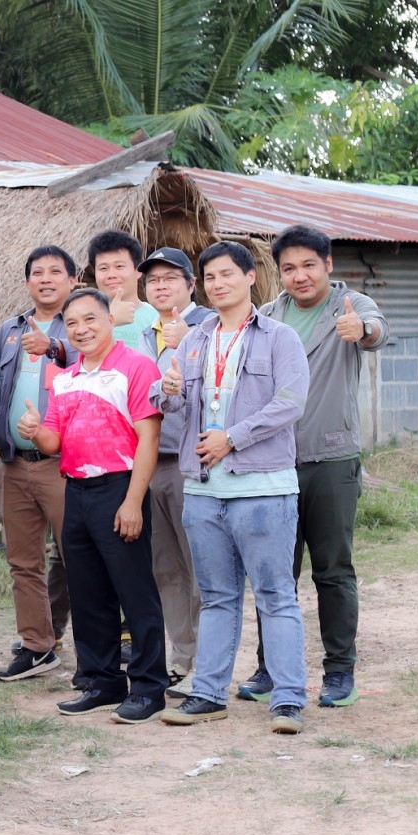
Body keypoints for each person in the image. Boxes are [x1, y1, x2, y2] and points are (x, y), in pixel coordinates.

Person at [157, 242, 311, 734]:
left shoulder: (279, 337)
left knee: (276, 595)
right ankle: (208, 693)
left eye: (228, 274)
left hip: (263, 487)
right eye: (210, 276)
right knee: (219, 596)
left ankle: (287, 699)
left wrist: (233, 438)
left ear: (250, 278)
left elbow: (290, 403)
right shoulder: (194, 340)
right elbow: (169, 406)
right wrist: (171, 391)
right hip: (203, 491)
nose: (218, 283)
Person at [254, 224, 388, 707]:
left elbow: (376, 330)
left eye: (309, 264)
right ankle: (270, 667)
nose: (299, 275)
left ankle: (339, 671)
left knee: (332, 570)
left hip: (331, 459)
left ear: (328, 265)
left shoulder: (350, 306)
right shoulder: (267, 317)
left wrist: (362, 331)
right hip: (273, 463)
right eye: (288, 268)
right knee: (275, 572)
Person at [18, 287, 166, 723]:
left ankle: (148, 687)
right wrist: (33, 430)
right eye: (74, 323)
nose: (81, 329)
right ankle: (101, 681)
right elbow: (53, 441)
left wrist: (134, 501)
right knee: (87, 594)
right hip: (76, 491)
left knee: (135, 592)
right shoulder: (65, 377)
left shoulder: (136, 367)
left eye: (90, 320)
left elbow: (149, 439)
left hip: (120, 488)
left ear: (109, 320)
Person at [0, 245, 78, 682]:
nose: (45, 278)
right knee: (23, 562)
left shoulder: (81, 324)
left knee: (79, 556)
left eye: (55, 272)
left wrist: (56, 347)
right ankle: (38, 646)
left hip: (62, 462)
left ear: (73, 280)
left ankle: (99, 650)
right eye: (37, 273)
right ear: (26, 283)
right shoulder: (8, 328)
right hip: (13, 463)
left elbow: (98, 362)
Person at [141, 245, 214, 697]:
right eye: (153, 280)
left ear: (191, 284)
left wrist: (186, 340)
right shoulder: (142, 332)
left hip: (193, 465)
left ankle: (209, 663)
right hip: (149, 462)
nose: (161, 285)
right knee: (166, 569)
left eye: (171, 277)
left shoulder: (208, 325)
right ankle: (183, 657)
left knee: (200, 568)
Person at [87, 229, 160, 358]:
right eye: (103, 268)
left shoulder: (155, 318)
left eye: (119, 266)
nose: (111, 275)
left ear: (138, 270)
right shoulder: (84, 318)